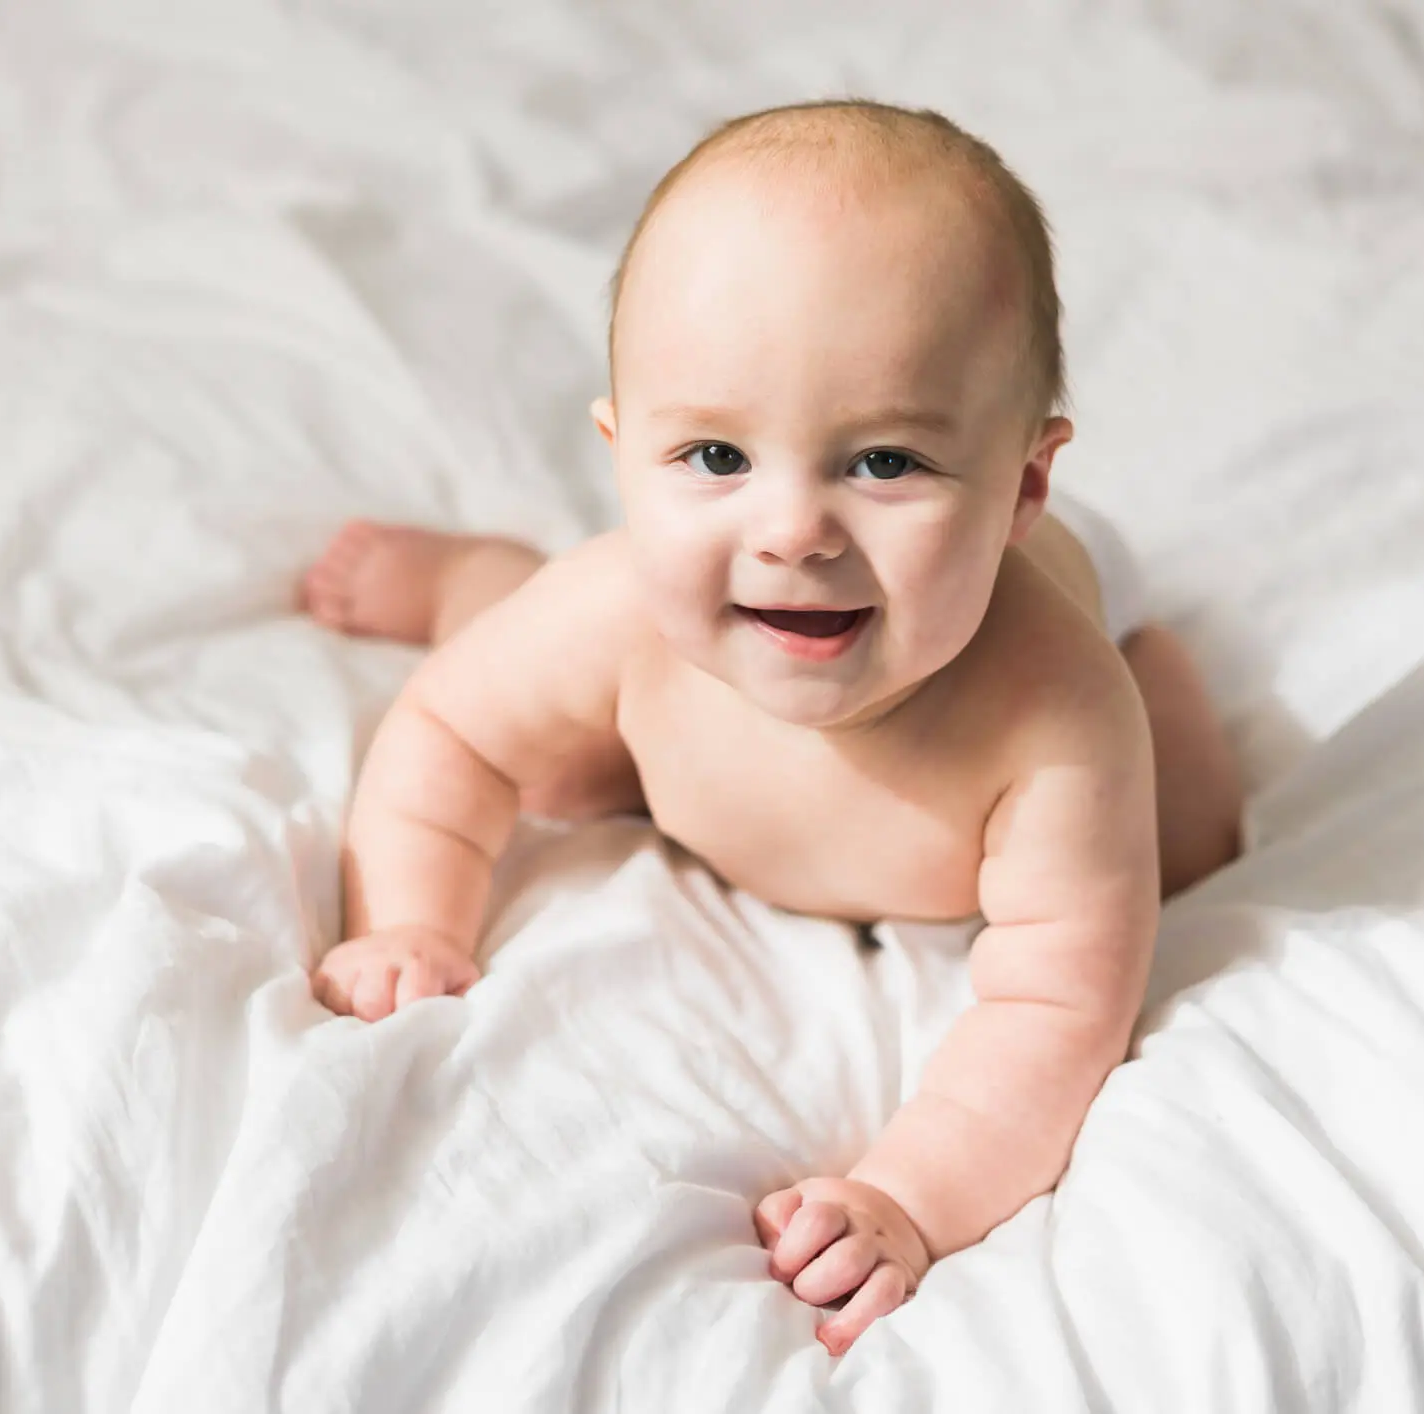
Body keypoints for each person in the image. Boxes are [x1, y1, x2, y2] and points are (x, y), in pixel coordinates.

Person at [299, 99, 1243, 1354]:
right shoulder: (628, 605)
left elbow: (1059, 1009)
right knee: (560, 719)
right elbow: (454, 737)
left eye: (888, 463)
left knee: (1199, 850)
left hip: (1089, 604)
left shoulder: (1057, 717)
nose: (793, 529)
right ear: (622, 449)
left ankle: (1163, 650)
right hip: (662, 692)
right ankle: (472, 572)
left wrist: (912, 1193)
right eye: (713, 455)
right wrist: (414, 917)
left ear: (1022, 486)